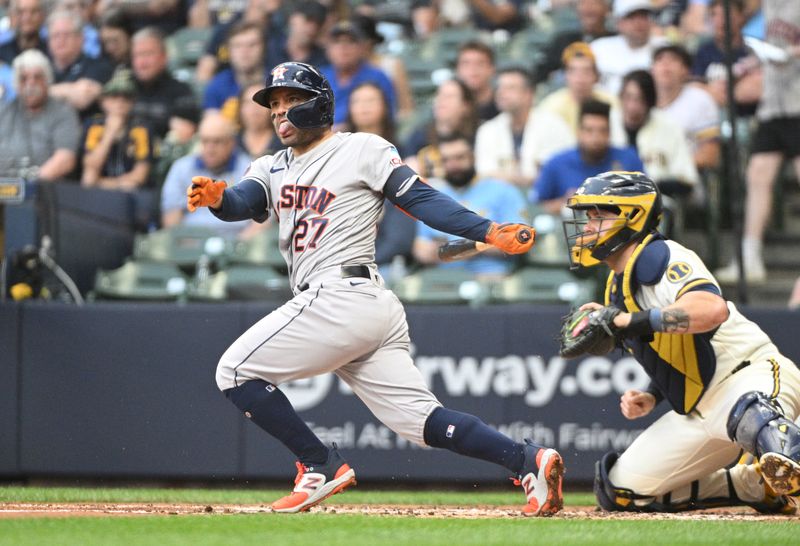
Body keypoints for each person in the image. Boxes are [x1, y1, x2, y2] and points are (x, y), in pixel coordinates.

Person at [186, 61, 563, 515]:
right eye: (274, 105)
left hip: (342, 295)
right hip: (361, 307)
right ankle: (527, 461)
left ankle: (318, 465)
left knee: (234, 371)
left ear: (319, 104)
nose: (279, 113)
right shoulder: (271, 166)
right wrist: (217, 199)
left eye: (290, 101)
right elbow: (242, 202)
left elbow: (419, 197)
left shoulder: (361, 148)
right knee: (421, 422)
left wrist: (486, 231)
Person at [562, 170, 800, 515]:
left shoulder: (659, 256)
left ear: (633, 215)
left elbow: (711, 309)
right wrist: (652, 393)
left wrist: (627, 321)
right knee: (619, 491)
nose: (587, 225)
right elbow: (672, 350)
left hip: (748, 378)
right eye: (588, 216)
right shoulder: (618, 284)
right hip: (700, 410)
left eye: (599, 215)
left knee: (767, 429)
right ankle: (755, 485)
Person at [715, 0, 800, 284]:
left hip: (799, 102)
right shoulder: (771, 6)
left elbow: (788, 49)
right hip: (774, 103)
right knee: (757, 175)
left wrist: (787, 53)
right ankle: (749, 256)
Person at [413, 133, 527, 277]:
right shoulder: (432, 194)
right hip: (443, 279)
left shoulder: (503, 190)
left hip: (490, 275)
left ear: (473, 157)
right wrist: (426, 251)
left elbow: (520, 239)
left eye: (460, 158)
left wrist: (470, 248)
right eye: (446, 160)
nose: (453, 165)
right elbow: (420, 246)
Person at [532, 100, 643, 214]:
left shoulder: (628, 159)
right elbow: (536, 208)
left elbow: (647, 199)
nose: (596, 137)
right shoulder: (556, 164)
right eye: (589, 130)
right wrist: (566, 202)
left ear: (609, 133)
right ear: (578, 132)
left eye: (602, 130)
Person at [474, 66, 574, 188]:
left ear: (528, 94)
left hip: (547, 199)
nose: (501, 93)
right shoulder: (488, 130)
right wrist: (523, 179)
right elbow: (485, 173)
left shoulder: (554, 126)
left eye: (510, 88)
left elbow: (564, 170)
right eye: (500, 87)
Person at [610, 69, 700, 196]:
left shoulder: (669, 127)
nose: (632, 106)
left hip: (657, 203)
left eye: (639, 99)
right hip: (611, 203)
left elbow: (687, 179)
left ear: (649, 102)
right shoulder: (606, 123)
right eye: (628, 97)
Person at [161, 111, 252, 235]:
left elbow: (264, 219)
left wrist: (240, 246)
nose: (210, 149)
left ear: (231, 143)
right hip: (191, 242)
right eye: (205, 141)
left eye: (217, 142)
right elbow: (172, 217)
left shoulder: (251, 169)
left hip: (238, 242)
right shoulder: (181, 168)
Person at [0, 49, 80, 181]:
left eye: (37, 77)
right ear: (16, 84)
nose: (30, 84)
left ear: (47, 80)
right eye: (23, 78)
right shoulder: (4, 110)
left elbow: (65, 160)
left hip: (44, 192)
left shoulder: (63, 112)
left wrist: (26, 187)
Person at [80, 68, 154, 191]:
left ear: (133, 102)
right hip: (100, 189)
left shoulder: (141, 128)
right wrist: (109, 133)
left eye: (126, 97)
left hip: (128, 192)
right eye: (114, 96)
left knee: (129, 186)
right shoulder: (94, 125)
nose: (120, 101)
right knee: (88, 177)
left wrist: (106, 183)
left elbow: (140, 175)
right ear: (103, 101)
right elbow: (90, 168)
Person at [651, 44, 721, 172]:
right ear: (652, 70)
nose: (665, 65)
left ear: (686, 71)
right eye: (660, 59)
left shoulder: (700, 100)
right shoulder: (641, 99)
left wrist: (669, 168)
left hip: (683, 179)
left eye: (673, 60)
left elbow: (711, 155)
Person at [320, 19, 396, 128]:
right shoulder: (319, 77)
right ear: (327, 49)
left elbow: (388, 118)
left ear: (362, 48)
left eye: (351, 41)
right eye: (337, 41)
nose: (343, 47)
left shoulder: (377, 77)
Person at [536, 42, 619, 139]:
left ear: (596, 76)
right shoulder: (550, 107)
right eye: (574, 71)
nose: (580, 78)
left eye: (586, 71)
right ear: (566, 76)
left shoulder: (610, 102)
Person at [129, 27, 198, 140]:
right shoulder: (124, 88)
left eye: (148, 54)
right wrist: (167, 121)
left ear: (164, 57)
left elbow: (186, 130)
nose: (142, 62)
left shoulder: (180, 91)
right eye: (137, 55)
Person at [403, 77, 479, 179]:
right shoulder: (419, 136)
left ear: (466, 106)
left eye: (449, 96)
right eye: (440, 95)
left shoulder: (480, 135)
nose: (442, 100)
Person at [46, 9, 114, 119]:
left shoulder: (98, 66)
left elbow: (82, 98)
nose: (60, 40)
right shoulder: (44, 68)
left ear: (81, 39)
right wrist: (68, 91)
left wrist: (43, 93)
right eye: (55, 35)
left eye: (66, 35)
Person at [590, 0, 666, 95]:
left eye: (643, 16)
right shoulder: (598, 48)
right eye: (631, 17)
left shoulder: (664, 49)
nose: (638, 23)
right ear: (618, 22)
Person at [535, 0, 614, 85]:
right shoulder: (563, 40)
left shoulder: (616, 41)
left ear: (607, 10)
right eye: (583, 3)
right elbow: (541, 75)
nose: (588, 8)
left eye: (594, 3)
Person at [202, 21, 267, 121]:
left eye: (252, 45)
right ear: (229, 51)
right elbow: (211, 129)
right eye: (238, 46)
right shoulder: (217, 86)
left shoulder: (277, 81)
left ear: (263, 48)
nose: (245, 51)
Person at [454, 40, 498, 123]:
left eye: (480, 63)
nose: (473, 69)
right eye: (466, 64)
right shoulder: (451, 108)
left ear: (492, 69)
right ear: (457, 70)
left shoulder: (502, 105)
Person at [0, 0, 47, 65]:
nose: (27, 18)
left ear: (42, 16)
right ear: (12, 17)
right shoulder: (2, 52)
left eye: (33, 12)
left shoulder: (53, 51)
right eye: (21, 12)